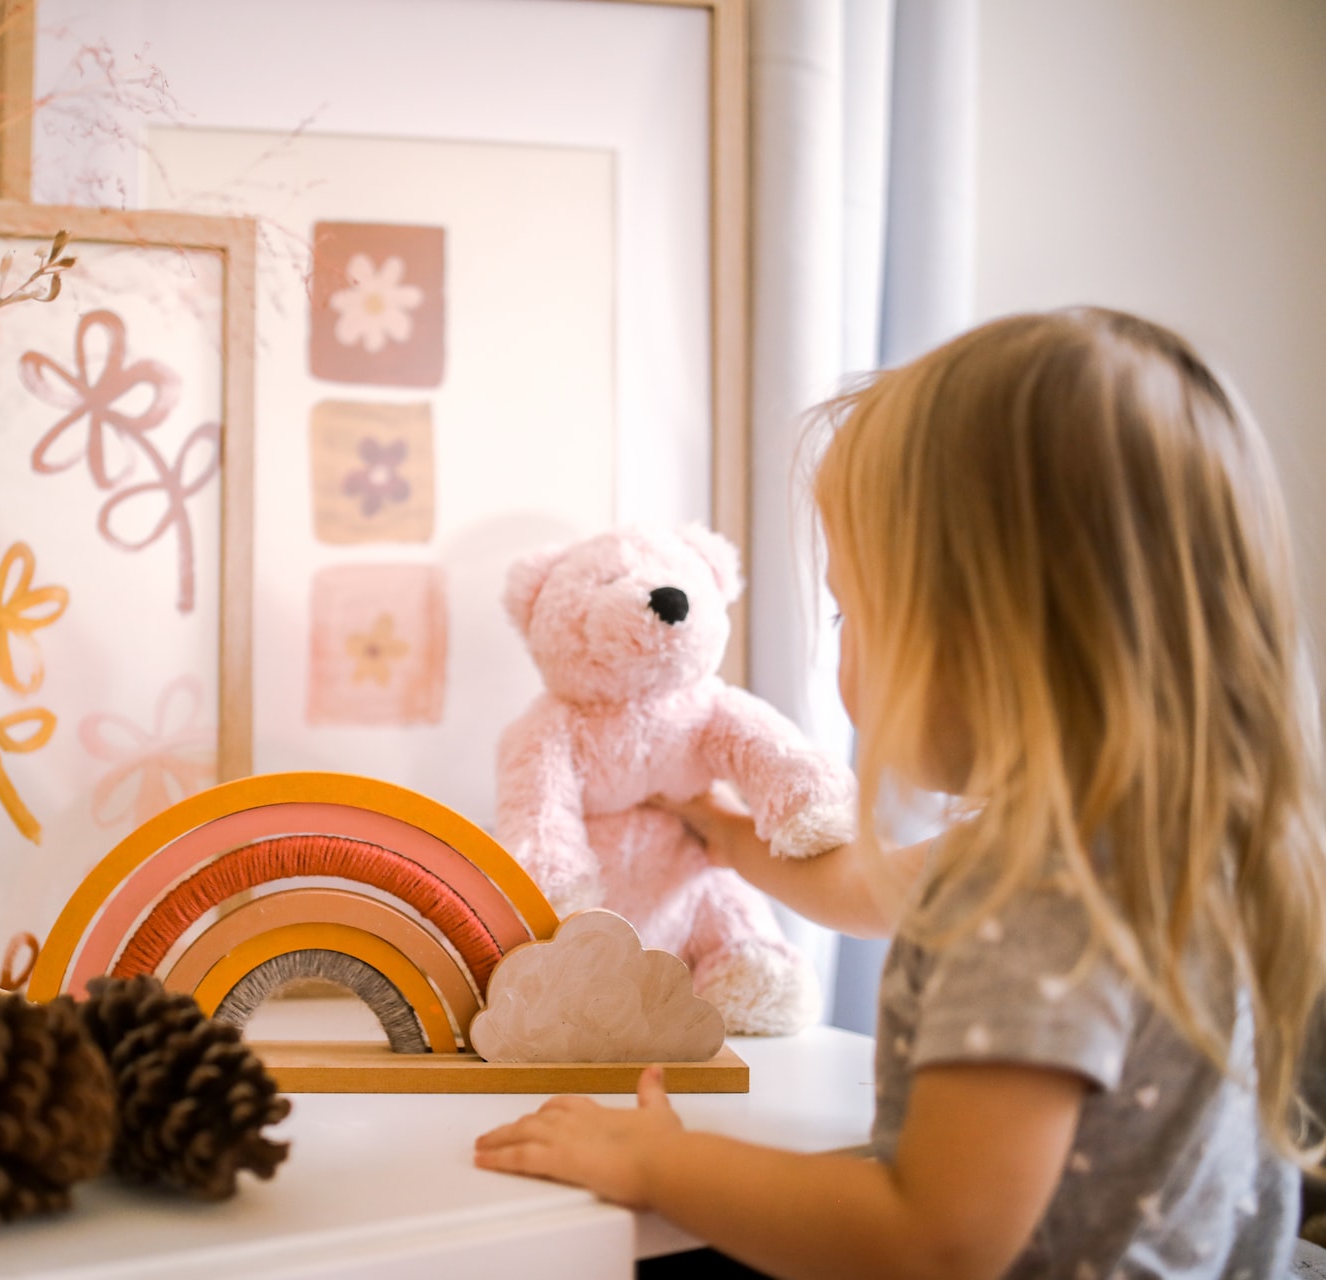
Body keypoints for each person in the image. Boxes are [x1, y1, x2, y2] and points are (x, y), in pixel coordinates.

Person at [474, 308, 1326, 1280]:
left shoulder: (1043, 895)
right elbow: (860, 889)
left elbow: (931, 1239)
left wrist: (658, 1158)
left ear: (980, 630)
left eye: (850, 607)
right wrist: (713, 822)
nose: (842, 643)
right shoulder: (1144, 836)